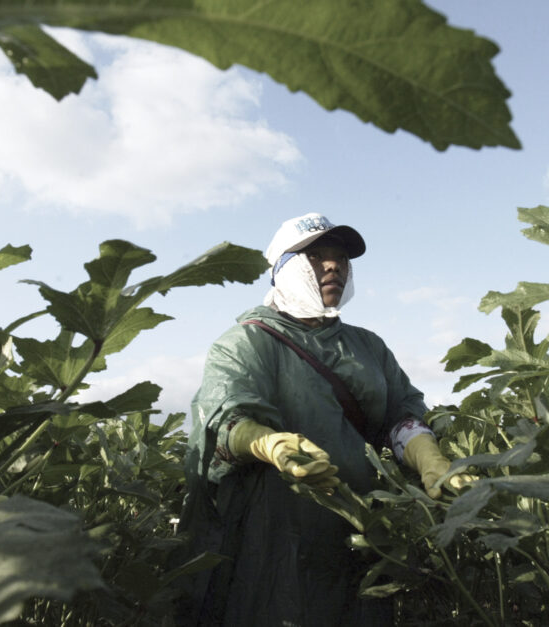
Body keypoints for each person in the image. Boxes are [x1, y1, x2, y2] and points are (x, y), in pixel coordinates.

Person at [177, 213, 472, 626]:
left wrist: (429, 458)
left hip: (360, 527)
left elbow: (400, 412)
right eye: (315, 257)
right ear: (283, 268)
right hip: (276, 532)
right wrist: (268, 444)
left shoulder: (367, 346)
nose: (334, 266)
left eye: (341, 259)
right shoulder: (248, 341)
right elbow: (224, 419)